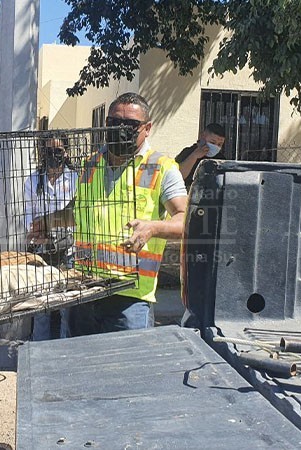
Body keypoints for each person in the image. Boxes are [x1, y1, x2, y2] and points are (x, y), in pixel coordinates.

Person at [31, 92, 188, 336]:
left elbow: (185, 220)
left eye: (130, 125)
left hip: (129, 296)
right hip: (85, 288)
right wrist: (48, 222)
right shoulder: (91, 164)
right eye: (114, 123)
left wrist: (153, 228)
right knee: (78, 367)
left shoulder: (161, 167)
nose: (120, 130)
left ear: (147, 128)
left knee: (123, 372)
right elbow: (78, 211)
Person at [24, 136, 78, 340]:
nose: (53, 156)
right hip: (41, 250)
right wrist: (38, 235)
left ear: (66, 153)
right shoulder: (33, 180)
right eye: (48, 152)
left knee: (67, 306)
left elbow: (76, 216)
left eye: (58, 151)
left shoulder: (76, 179)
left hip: (69, 250)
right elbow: (28, 215)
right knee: (41, 306)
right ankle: (39, 348)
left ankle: (65, 351)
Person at [175, 123, 227, 189]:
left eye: (219, 144)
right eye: (212, 142)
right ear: (203, 136)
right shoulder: (188, 152)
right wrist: (194, 156)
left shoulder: (221, 159)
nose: (216, 146)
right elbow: (177, 176)